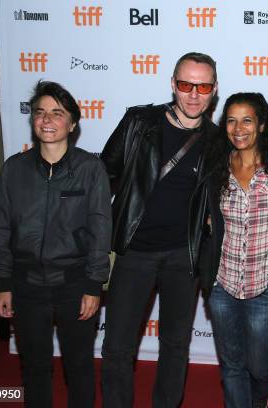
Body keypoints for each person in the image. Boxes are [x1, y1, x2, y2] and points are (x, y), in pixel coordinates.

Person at [100, 52, 218, 408]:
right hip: (134, 251)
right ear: (172, 84)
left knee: (175, 345)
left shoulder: (216, 140)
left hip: (184, 256)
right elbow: (103, 176)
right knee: (118, 346)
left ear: (214, 90)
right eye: (185, 85)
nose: (194, 94)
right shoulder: (139, 122)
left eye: (203, 86)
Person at [0, 80, 112, 407]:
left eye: (57, 113)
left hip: (74, 284)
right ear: (32, 121)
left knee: (79, 366)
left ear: (72, 124)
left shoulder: (90, 169)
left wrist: (93, 285)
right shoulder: (14, 170)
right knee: (34, 367)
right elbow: (1, 228)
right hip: (26, 283)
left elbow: (102, 229)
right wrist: (3, 282)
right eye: (40, 112)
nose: (47, 119)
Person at [191, 93, 268, 408]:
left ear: (262, 125)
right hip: (222, 284)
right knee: (232, 365)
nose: (238, 128)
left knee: (259, 367)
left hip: (264, 286)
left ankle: (261, 396)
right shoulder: (216, 167)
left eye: (247, 120)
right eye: (231, 120)